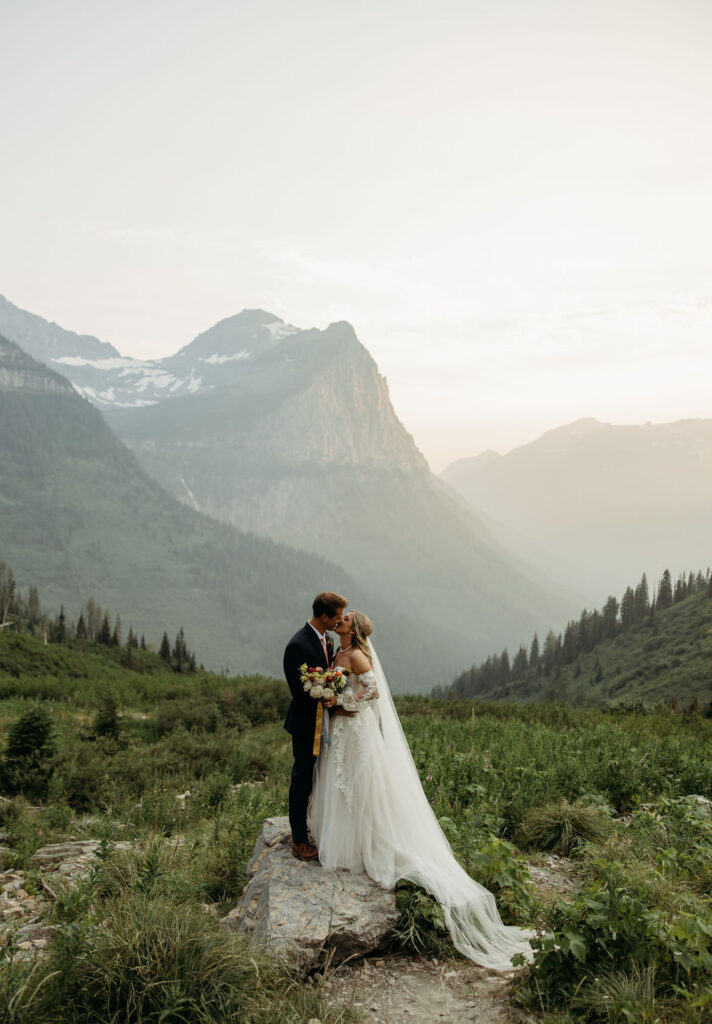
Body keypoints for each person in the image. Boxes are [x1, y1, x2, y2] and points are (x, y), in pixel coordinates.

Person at [308, 610, 535, 972]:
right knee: (342, 783)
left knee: (361, 785)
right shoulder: (336, 651)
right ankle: (347, 840)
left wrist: (341, 703)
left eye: (347, 618)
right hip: (342, 731)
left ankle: (369, 843)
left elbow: (372, 691)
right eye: (340, 617)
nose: (341, 620)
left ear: (356, 628)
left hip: (356, 729)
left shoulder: (357, 655)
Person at [283, 591, 347, 861]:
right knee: (302, 780)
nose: (340, 622)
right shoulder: (297, 644)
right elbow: (298, 691)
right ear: (324, 616)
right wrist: (326, 691)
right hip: (306, 724)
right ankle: (299, 840)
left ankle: (315, 827)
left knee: (318, 778)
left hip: (325, 722)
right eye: (337, 617)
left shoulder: (327, 639)